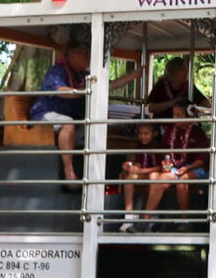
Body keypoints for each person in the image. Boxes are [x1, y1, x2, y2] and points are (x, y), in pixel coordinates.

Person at [29, 41, 139, 185]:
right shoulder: (57, 70)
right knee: (68, 123)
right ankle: (69, 172)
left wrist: (133, 76)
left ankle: (97, 177)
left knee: (100, 128)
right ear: (72, 55)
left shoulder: (83, 75)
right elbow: (59, 90)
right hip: (45, 115)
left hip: (74, 120)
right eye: (85, 54)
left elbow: (107, 86)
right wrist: (80, 92)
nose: (88, 57)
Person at [143, 99, 209, 230]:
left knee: (182, 181)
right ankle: (145, 221)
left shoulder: (197, 132)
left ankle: (185, 220)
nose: (175, 118)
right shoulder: (170, 131)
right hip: (176, 167)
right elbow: (166, 154)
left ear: (188, 116)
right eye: (174, 114)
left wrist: (188, 168)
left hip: (196, 168)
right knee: (159, 179)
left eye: (179, 115)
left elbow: (203, 158)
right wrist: (167, 168)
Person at [117, 123, 165, 232]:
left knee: (154, 177)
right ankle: (128, 217)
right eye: (139, 133)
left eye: (146, 133)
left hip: (156, 174)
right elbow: (140, 163)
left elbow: (160, 167)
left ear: (155, 134)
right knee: (129, 178)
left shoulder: (160, 146)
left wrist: (141, 170)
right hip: (144, 174)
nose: (142, 136)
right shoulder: (140, 145)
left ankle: (151, 215)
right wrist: (131, 167)